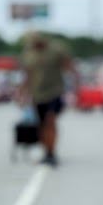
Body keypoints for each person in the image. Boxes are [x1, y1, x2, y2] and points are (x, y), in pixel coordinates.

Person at [19, 31, 72, 166]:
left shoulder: (56, 50)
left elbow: (68, 66)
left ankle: (51, 152)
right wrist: (22, 93)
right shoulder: (28, 54)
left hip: (55, 91)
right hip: (37, 95)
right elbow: (27, 75)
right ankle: (46, 152)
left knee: (50, 121)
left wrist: (74, 87)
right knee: (41, 125)